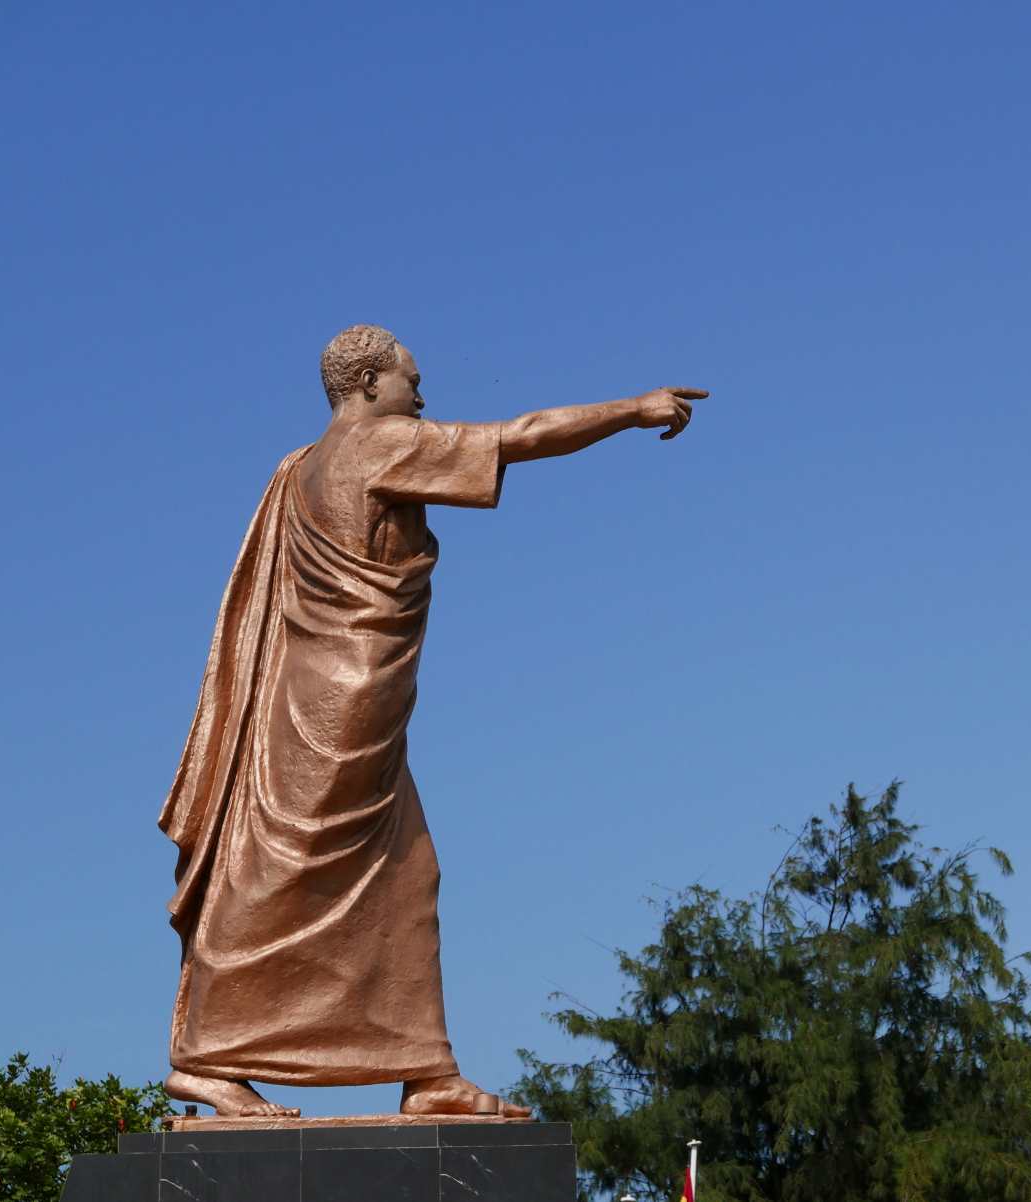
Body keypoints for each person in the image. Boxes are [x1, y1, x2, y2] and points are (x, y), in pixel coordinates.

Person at [158, 324, 707, 1117]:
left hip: (301, 693)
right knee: (294, 866)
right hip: (349, 697)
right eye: (410, 381)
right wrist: (632, 409)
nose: (421, 395)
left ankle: (424, 1071)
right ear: (369, 384)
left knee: (390, 869)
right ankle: (211, 1056)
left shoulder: (296, 468)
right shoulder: (381, 444)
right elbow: (519, 436)